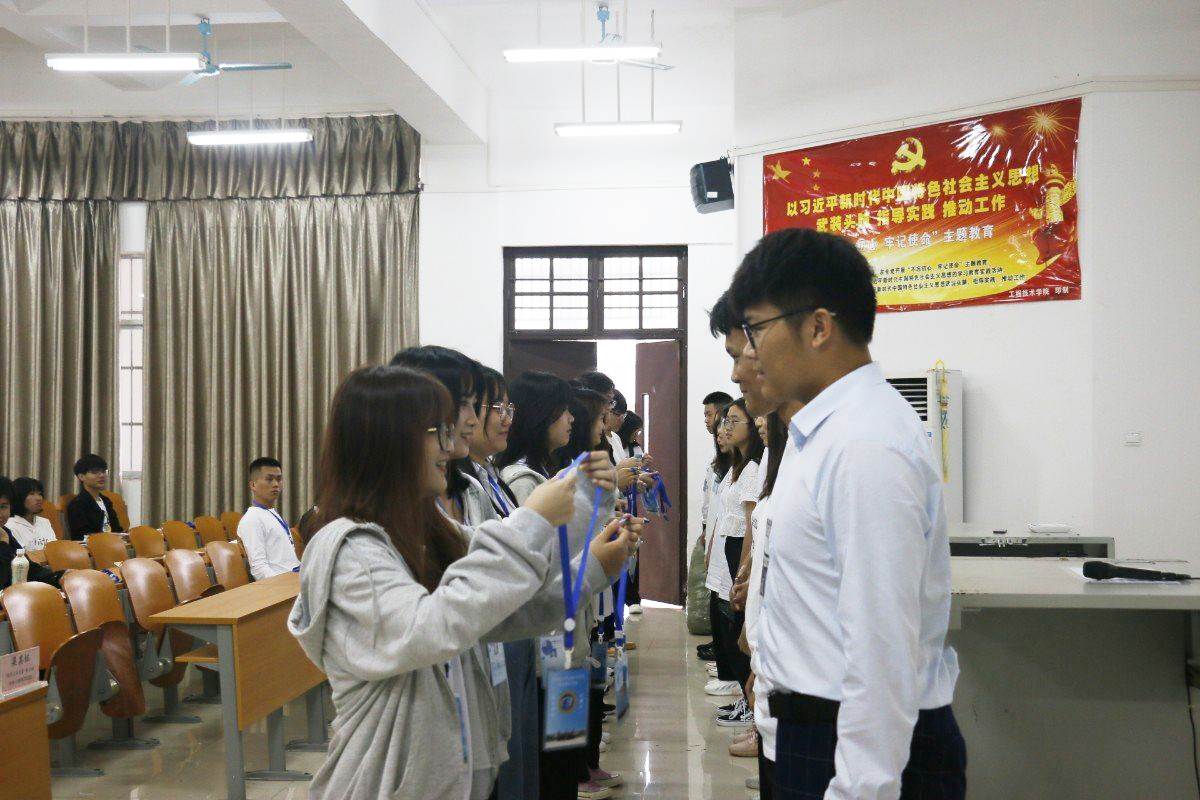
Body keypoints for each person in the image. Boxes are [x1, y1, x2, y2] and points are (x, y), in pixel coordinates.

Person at [288, 365, 638, 800]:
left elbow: (508, 605)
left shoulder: (426, 531)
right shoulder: (350, 549)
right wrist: (533, 518)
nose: (452, 445)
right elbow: (432, 627)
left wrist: (592, 560)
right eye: (438, 431)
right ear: (390, 442)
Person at [729, 228, 965, 799]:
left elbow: (883, 653)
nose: (748, 357)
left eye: (757, 330)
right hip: (816, 730)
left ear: (818, 327)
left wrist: (860, 787)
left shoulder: (865, 444)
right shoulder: (824, 432)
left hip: (853, 747)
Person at [495, 371, 621, 800]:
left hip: (564, 638)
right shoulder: (523, 481)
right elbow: (541, 563)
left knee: (563, 756)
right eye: (563, 411)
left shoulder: (545, 472)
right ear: (541, 415)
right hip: (544, 646)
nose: (572, 420)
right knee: (551, 765)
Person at [704, 398, 763, 718]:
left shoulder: (752, 469)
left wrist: (743, 570)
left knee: (738, 625)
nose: (725, 428)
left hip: (740, 548)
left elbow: (750, 526)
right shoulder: (737, 467)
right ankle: (745, 698)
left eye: (733, 421)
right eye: (725, 421)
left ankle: (750, 702)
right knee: (730, 622)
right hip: (729, 548)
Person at [391, 346, 484, 525]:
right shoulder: (397, 508)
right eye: (463, 403)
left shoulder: (472, 490)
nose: (474, 420)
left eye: (474, 404)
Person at [694, 389, 733, 662]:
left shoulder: (741, 466)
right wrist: (706, 529)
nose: (707, 421)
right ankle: (721, 653)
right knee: (716, 594)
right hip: (715, 533)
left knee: (724, 596)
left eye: (709, 414)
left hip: (728, 539)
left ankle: (725, 658)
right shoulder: (718, 459)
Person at [237, 457, 300, 580]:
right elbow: (259, 569)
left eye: (279, 479)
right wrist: (283, 586)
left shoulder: (271, 513)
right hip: (281, 585)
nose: (276, 484)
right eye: (269, 479)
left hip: (294, 579)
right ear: (253, 485)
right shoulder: (252, 519)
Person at [0, 477, 59, 589]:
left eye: (3, 507)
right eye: (32, 493)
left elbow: (29, 568)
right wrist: (3, 543)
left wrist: (59, 576)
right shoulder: (4, 534)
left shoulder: (5, 532)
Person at [65, 454, 124, 539]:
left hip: (113, 544)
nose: (101, 475)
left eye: (103, 471)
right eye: (95, 472)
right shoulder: (77, 504)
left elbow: (117, 529)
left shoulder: (106, 501)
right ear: (81, 477)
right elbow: (81, 536)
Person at [6, 477, 56, 552]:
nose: (39, 498)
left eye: (40, 494)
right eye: (31, 494)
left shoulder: (44, 522)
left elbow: (55, 549)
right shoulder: (9, 525)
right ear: (19, 497)